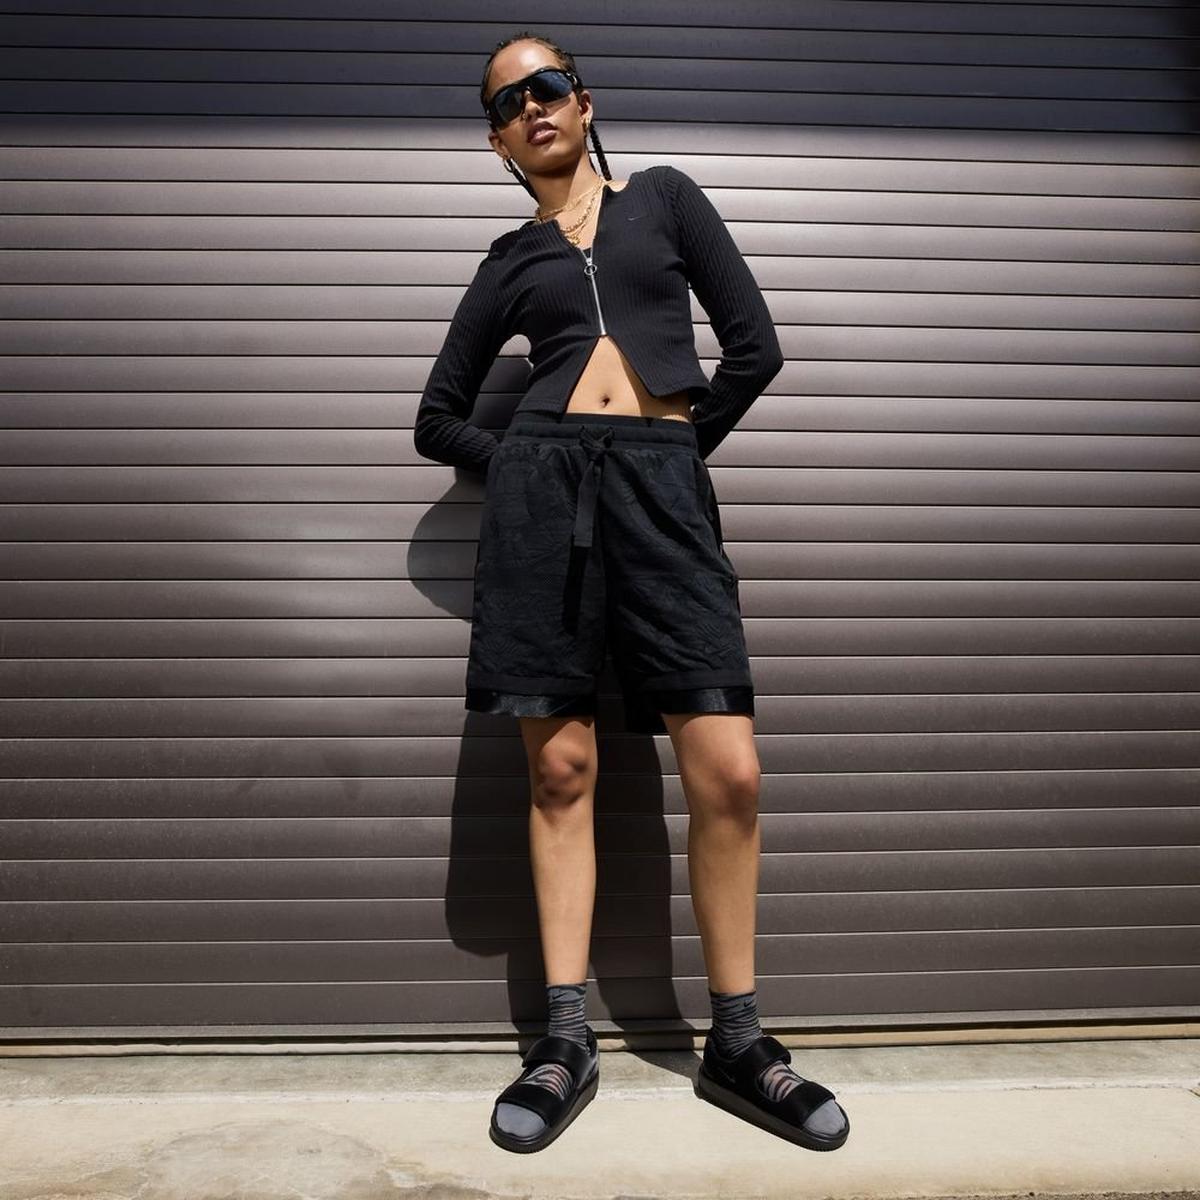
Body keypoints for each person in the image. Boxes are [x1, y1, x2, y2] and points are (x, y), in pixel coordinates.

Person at [414, 31, 850, 1155]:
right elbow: (438, 417)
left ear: (584, 101)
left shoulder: (664, 198)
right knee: (561, 771)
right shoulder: (512, 256)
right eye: (507, 103)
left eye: (547, 85)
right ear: (499, 142)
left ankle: (738, 1043)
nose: (532, 106)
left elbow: (753, 348)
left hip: (662, 488)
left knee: (731, 773)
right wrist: (527, 462)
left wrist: (672, 452)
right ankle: (564, 1040)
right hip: (546, 508)